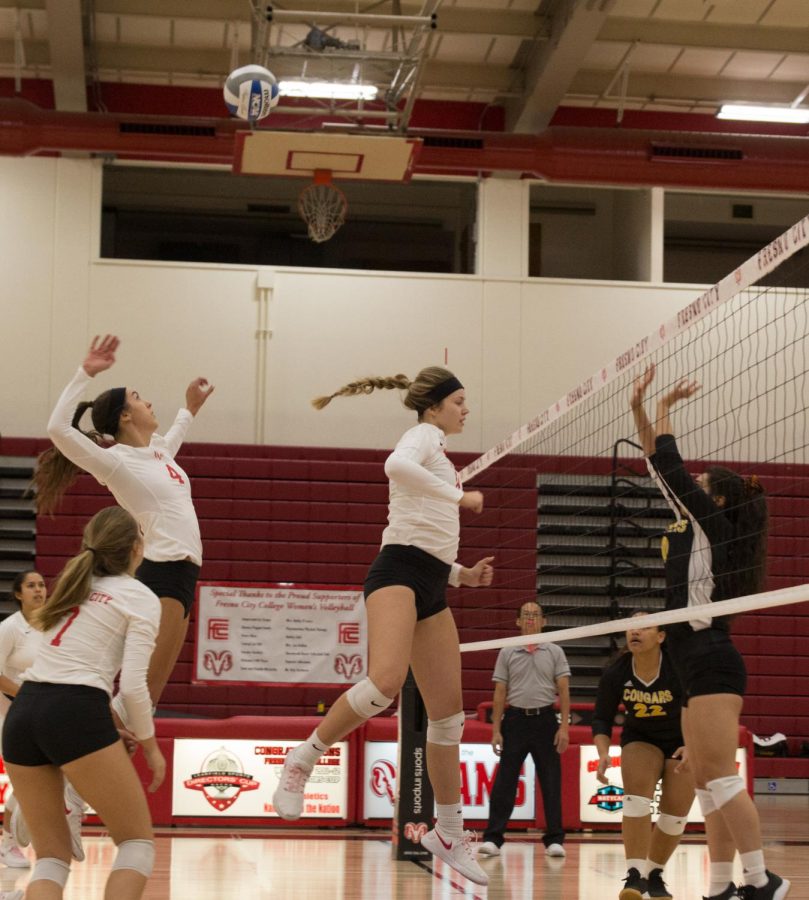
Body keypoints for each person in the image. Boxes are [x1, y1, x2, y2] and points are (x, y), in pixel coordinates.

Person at [272, 367, 494, 886]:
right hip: (396, 571)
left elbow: (428, 532)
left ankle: (447, 831)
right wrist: (459, 498)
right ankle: (301, 761)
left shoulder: (441, 452)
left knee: (449, 718)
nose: (467, 410)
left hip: (433, 580)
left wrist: (462, 576)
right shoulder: (423, 436)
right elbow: (395, 467)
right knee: (386, 682)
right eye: (460, 401)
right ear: (436, 406)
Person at [630, 363, 789, 900]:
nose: (691, 486)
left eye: (702, 485)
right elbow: (661, 469)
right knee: (703, 780)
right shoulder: (697, 527)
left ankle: (762, 878)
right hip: (690, 658)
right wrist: (639, 410)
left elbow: (669, 468)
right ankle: (722, 886)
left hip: (713, 657)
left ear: (716, 500)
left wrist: (664, 409)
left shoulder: (711, 525)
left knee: (721, 777)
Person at [35, 334, 213, 711]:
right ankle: (91, 749)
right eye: (137, 397)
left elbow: (172, 440)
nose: (147, 401)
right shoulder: (115, 461)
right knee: (139, 696)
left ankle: (106, 753)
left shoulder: (158, 453)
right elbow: (57, 430)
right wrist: (85, 372)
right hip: (162, 573)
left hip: (184, 575)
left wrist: (189, 410)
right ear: (124, 416)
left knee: (150, 694)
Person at [2, 505, 165, 900]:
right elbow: (135, 686)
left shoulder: (73, 587)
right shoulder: (140, 597)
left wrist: (108, 724)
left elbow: (67, 671)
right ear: (136, 549)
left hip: (25, 713)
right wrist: (151, 746)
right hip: (74, 711)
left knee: (51, 859)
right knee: (136, 845)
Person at [592, 611, 694, 900]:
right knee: (636, 799)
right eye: (631, 628)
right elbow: (601, 719)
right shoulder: (617, 672)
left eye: (644, 627)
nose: (635, 632)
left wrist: (693, 743)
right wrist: (603, 753)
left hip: (681, 739)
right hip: (641, 738)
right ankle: (635, 875)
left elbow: (698, 705)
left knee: (675, 817)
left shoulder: (678, 666)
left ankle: (655, 874)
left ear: (661, 637)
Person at [477, 601, 570, 860]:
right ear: (518, 621)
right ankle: (493, 839)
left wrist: (564, 727)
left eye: (535, 615)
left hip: (546, 721)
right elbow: (499, 692)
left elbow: (563, 689)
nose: (530, 619)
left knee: (551, 781)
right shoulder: (507, 651)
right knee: (504, 782)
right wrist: (496, 729)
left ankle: (554, 839)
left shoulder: (555, 651)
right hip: (515, 721)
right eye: (526, 615)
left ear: (544, 621)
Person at [0, 571, 46, 869]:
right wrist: (27, 696)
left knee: (34, 778)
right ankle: (7, 844)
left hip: (36, 712)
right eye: (31, 586)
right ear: (18, 594)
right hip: (6, 712)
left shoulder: (52, 627)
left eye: (41, 585)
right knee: (17, 778)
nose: (38, 590)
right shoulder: (9, 629)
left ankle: (9, 840)